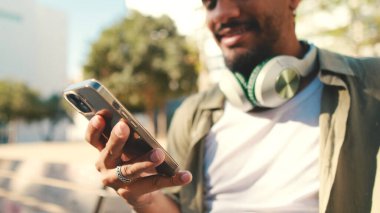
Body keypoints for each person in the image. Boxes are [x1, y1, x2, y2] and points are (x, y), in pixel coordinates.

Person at [85, 0, 380, 212]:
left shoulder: (370, 84)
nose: (223, 13)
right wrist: (145, 200)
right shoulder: (192, 113)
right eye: (210, 2)